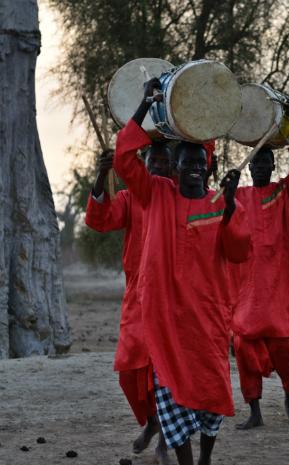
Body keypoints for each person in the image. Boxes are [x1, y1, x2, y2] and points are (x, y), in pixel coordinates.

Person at [113, 77, 251, 465]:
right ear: (173, 168)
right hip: (164, 323)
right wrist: (144, 104)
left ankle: (206, 459)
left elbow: (239, 251)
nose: (193, 168)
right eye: (185, 163)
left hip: (206, 323)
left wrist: (229, 209)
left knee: (209, 399)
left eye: (199, 163)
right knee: (170, 395)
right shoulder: (154, 194)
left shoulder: (218, 202)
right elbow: (125, 159)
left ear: (207, 167)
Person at [85, 142, 172, 464]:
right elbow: (100, 219)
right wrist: (101, 173)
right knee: (129, 371)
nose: (159, 167)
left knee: (165, 373)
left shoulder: (179, 198)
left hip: (170, 300)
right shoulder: (129, 198)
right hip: (136, 296)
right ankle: (151, 423)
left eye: (165, 162)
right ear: (143, 165)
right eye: (153, 161)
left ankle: (165, 439)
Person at [231, 101, 289, 429]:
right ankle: (254, 411)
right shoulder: (238, 196)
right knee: (244, 346)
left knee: (287, 350)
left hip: (283, 293)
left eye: (267, 160)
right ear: (251, 166)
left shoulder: (286, 192)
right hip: (248, 295)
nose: (261, 166)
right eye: (257, 162)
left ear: (273, 164)